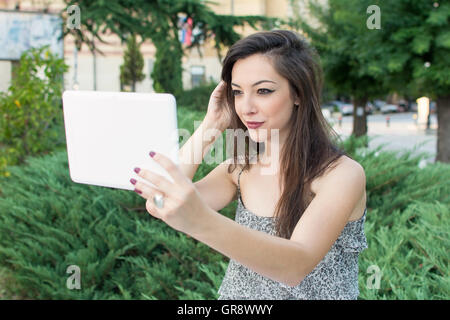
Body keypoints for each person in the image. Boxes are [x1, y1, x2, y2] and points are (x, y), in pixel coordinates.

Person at [130, 30, 368, 300]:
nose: (246, 107)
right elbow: (161, 202)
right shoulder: (239, 169)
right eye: (237, 92)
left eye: (263, 91)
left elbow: (295, 266)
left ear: (298, 94)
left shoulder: (342, 175)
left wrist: (201, 221)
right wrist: (212, 124)